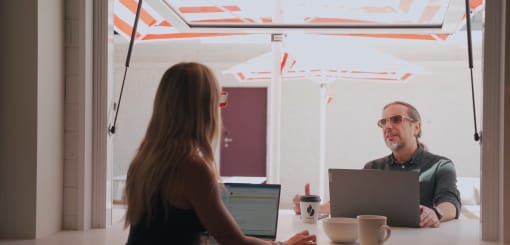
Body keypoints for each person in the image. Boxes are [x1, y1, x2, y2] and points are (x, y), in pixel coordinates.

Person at [124, 62, 316, 245]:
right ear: (203, 108)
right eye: (219, 100)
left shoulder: (144, 161)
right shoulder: (192, 167)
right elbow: (233, 241)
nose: (220, 108)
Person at [293, 101, 461, 228]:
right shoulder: (372, 167)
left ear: (416, 127)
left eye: (395, 120)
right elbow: (346, 205)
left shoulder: (440, 165)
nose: (387, 127)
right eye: (383, 122)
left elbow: (450, 204)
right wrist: (309, 207)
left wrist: (435, 214)